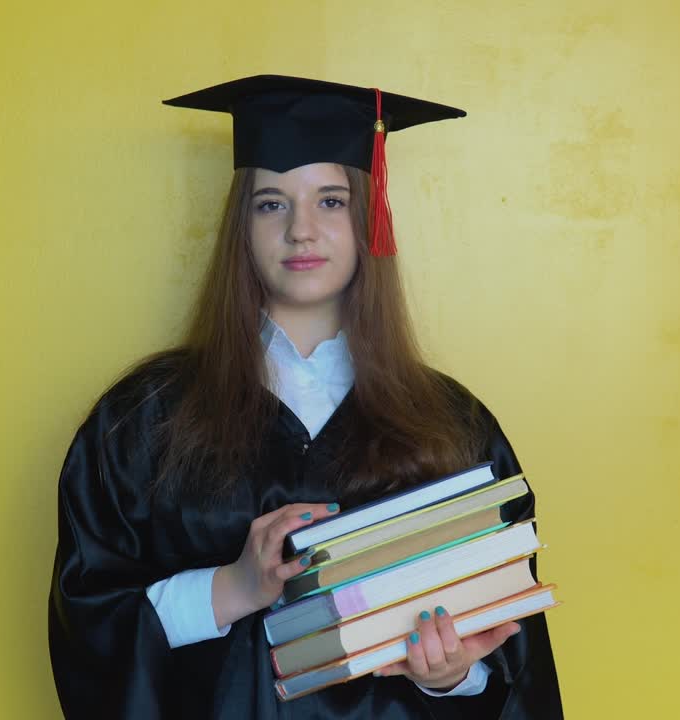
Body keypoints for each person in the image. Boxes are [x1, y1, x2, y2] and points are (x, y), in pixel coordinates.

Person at [47, 75, 562, 719]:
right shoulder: (143, 420)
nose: (300, 230)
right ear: (242, 225)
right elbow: (90, 630)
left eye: (330, 201)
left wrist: (452, 675)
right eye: (271, 203)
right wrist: (230, 588)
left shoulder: (452, 426)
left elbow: (517, 663)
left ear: (368, 217)